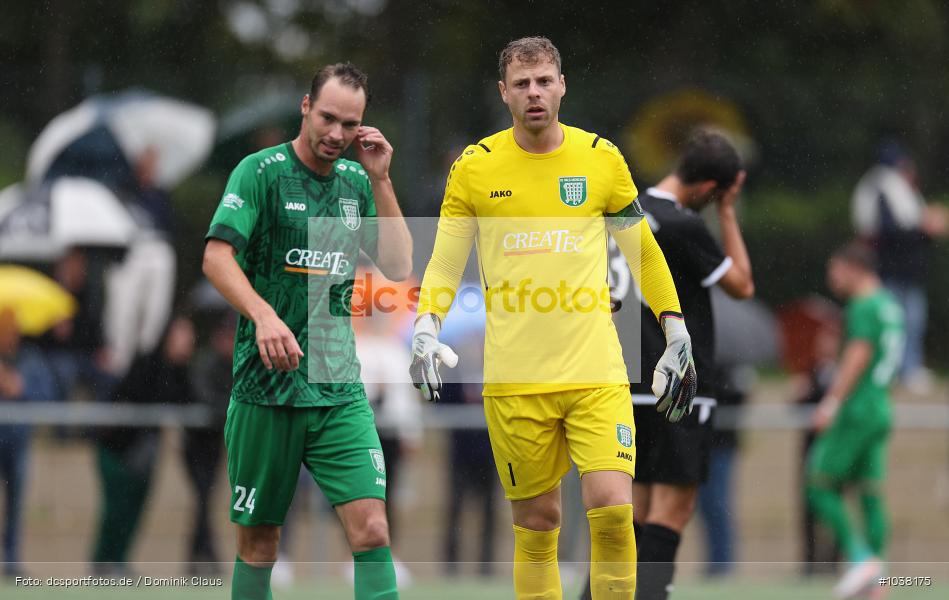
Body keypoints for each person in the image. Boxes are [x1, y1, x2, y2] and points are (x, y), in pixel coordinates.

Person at [410, 37, 695, 599]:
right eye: (522, 84)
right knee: (538, 525)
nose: (534, 93)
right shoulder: (474, 167)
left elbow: (641, 251)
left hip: (596, 372)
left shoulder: (601, 158)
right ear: (504, 93)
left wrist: (675, 327)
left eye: (544, 81)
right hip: (516, 379)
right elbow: (445, 259)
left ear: (562, 84)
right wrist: (426, 324)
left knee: (614, 510)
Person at [202, 62, 412, 600]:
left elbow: (397, 263)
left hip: (338, 385)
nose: (337, 134)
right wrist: (264, 315)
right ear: (305, 107)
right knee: (260, 545)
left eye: (350, 123)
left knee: (372, 530)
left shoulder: (356, 183)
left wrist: (383, 180)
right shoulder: (260, 171)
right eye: (328, 118)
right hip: (265, 387)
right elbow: (217, 257)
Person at [585, 130, 753, 600]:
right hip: (680, 379)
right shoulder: (682, 224)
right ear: (707, 189)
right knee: (672, 510)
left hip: (624, 379)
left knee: (631, 515)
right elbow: (742, 284)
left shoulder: (625, 211)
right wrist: (727, 211)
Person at [807, 243, 904, 599]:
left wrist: (831, 403)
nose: (832, 278)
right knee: (870, 493)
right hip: (880, 406)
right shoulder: (891, 305)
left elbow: (858, 355)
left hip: (857, 408)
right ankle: (878, 579)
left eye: (835, 270)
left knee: (817, 482)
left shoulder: (863, 306)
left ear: (852, 269)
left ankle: (862, 559)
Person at [91, 316, 196, 573]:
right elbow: (143, 397)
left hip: (144, 456)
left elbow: (185, 400)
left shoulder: (179, 372)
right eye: (181, 336)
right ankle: (102, 562)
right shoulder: (147, 363)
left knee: (135, 511)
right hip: (116, 450)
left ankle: (119, 561)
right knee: (115, 510)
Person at [851, 141, 948, 392]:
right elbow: (890, 232)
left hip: (903, 270)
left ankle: (904, 369)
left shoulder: (888, 187)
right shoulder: (885, 186)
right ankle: (898, 370)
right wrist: (925, 229)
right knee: (896, 322)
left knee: (909, 321)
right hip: (893, 269)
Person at [0, 308, 54, 577]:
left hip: (18, 442)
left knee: (15, 506)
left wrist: (19, 387)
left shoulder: (30, 359)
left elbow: (46, 394)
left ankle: (11, 562)